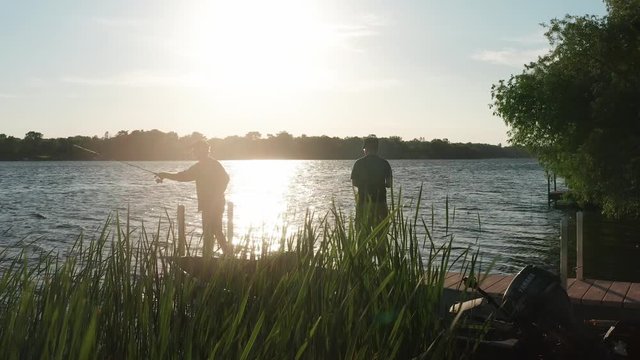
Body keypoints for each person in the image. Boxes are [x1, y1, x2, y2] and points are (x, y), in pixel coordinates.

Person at [157, 140, 232, 256]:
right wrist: (165, 175)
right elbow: (183, 176)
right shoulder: (199, 166)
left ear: (203, 150)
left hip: (214, 204)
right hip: (208, 205)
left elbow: (225, 179)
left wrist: (215, 197)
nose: (194, 152)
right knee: (210, 232)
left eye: (195, 150)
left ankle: (226, 257)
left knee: (215, 230)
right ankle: (211, 258)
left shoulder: (212, 164)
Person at [350, 135, 393, 227]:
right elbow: (389, 184)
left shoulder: (358, 163)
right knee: (381, 233)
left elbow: (354, 183)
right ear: (376, 149)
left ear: (365, 149)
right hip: (380, 203)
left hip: (363, 203)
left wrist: (366, 186)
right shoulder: (385, 163)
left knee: (362, 233)